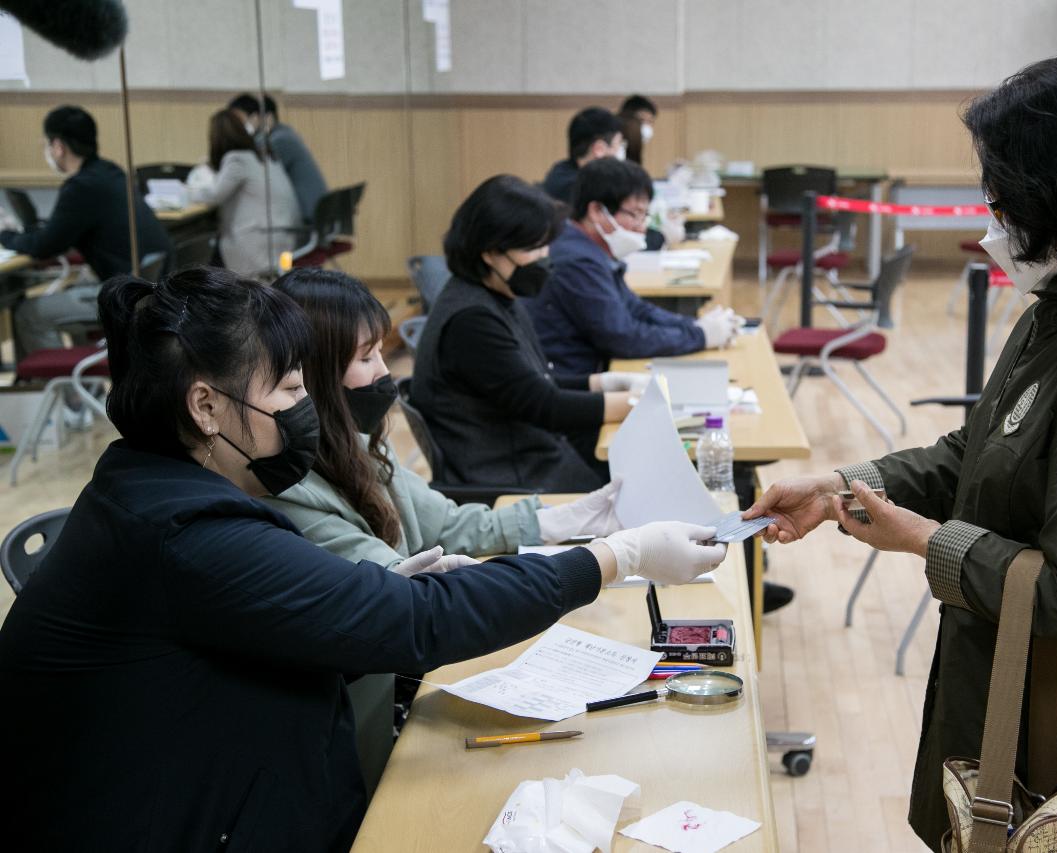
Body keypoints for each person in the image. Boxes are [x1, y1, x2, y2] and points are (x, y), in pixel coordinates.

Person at [0, 265, 725, 851]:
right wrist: (615, 556)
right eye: (286, 389)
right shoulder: (188, 530)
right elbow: (419, 622)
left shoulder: (146, 484)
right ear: (205, 407)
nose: (302, 407)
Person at [746, 55, 1057, 852]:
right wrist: (844, 485)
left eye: (1004, 199)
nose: (993, 217)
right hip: (1031, 712)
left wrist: (920, 539)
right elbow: (980, 451)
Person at [268, 266, 625, 564]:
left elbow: (447, 524)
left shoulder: (357, 442)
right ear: (311, 374)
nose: (384, 371)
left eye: (381, 353)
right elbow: (391, 589)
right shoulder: (291, 490)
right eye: (366, 358)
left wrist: (557, 521)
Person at [411, 175, 641, 492]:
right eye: (532, 248)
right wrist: (635, 403)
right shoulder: (471, 321)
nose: (544, 257)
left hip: (531, 458)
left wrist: (602, 383)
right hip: (515, 479)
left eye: (545, 244)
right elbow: (545, 406)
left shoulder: (494, 293)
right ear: (490, 252)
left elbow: (530, 382)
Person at [527, 157, 737, 378]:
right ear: (597, 211)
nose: (642, 226)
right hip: (575, 382)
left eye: (644, 215)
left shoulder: (589, 248)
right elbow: (623, 337)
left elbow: (635, 308)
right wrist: (700, 336)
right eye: (635, 214)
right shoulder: (577, 260)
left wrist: (693, 325)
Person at [0, 105, 171, 355]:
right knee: (66, 298)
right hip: (143, 287)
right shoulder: (110, 172)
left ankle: (66, 389)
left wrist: (6, 235)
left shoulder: (81, 187)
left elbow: (45, 246)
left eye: (47, 145)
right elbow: (62, 231)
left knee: (29, 313)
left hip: (124, 296)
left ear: (58, 146)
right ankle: (84, 381)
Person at [186, 109, 302, 277]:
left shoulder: (236, 160)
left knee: (203, 255)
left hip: (258, 240)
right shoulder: (264, 156)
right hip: (283, 236)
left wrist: (184, 192)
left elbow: (214, 195)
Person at [229, 93, 328, 223]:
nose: (243, 126)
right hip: (308, 211)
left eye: (249, 119)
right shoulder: (284, 133)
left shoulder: (280, 140)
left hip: (306, 216)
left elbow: (252, 170)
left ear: (268, 118)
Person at [542, 107, 625, 203]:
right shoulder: (584, 190)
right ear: (599, 149)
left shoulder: (562, 172)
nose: (621, 149)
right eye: (619, 143)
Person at [618, 94, 657, 167]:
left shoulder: (632, 146)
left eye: (650, 122)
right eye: (641, 120)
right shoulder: (614, 148)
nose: (646, 127)